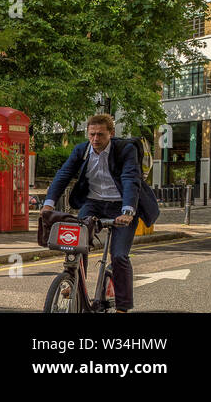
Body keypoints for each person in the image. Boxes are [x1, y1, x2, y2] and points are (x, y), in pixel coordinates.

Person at [41, 114, 160, 313]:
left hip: (122, 205)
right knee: (76, 245)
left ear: (111, 134)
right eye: (92, 134)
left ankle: (123, 306)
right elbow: (63, 175)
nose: (96, 139)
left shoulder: (125, 150)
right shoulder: (82, 150)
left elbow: (131, 178)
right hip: (93, 203)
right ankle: (74, 282)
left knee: (120, 255)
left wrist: (128, 211)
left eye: (101, 135)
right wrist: (48, 204)